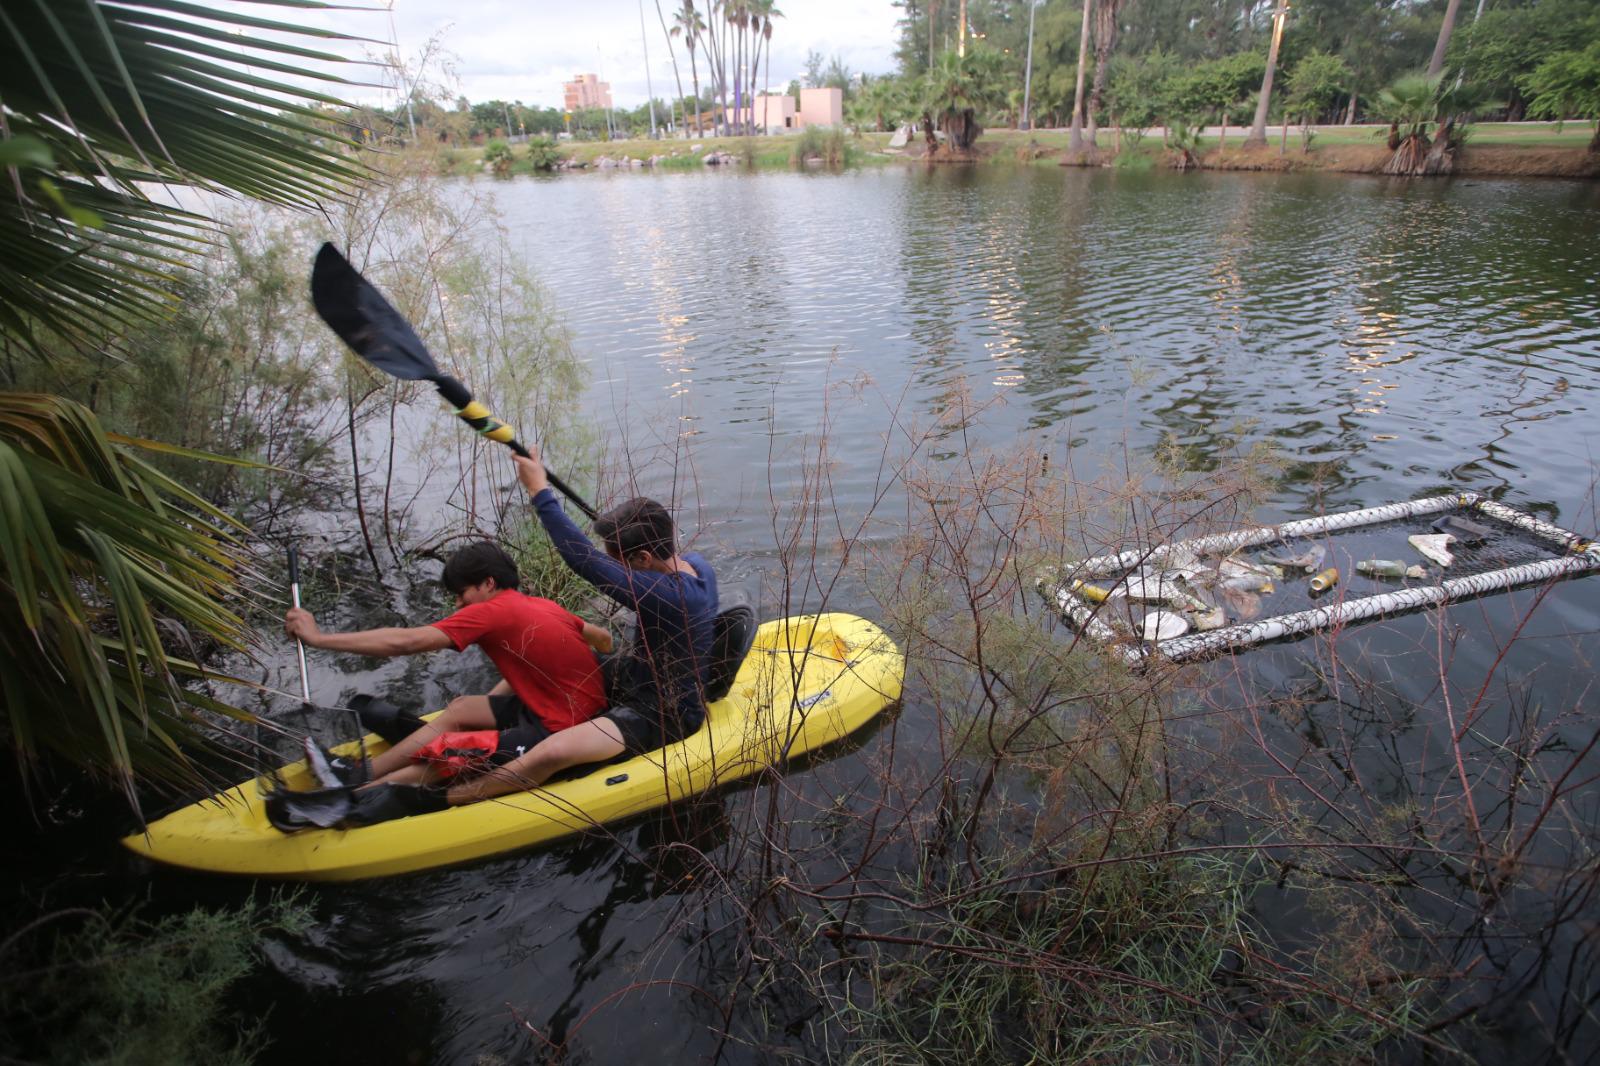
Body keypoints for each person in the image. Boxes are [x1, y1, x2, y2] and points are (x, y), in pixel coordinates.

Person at [438, 449, 719, 806]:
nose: (619, 572)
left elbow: (584, 560)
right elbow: (604, 561)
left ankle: (449, 800)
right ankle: (497, 713)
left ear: (644, 558)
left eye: (622, 564)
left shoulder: (671, 595)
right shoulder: (692, 565)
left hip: (665, 712)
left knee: (551, 753)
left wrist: (540, 491)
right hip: (638, 675)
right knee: (547, 657)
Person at [282, 541, 613, 806]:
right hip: (562, 706)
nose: (458, 603)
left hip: (562, 728)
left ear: (488, 583)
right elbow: (603, 638)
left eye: (461, 592)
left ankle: (355, 797)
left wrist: (318, 639)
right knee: (461, 709)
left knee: (451, 753)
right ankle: (360, 771)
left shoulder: (490, 612)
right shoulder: (539, 604)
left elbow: (406, 642)